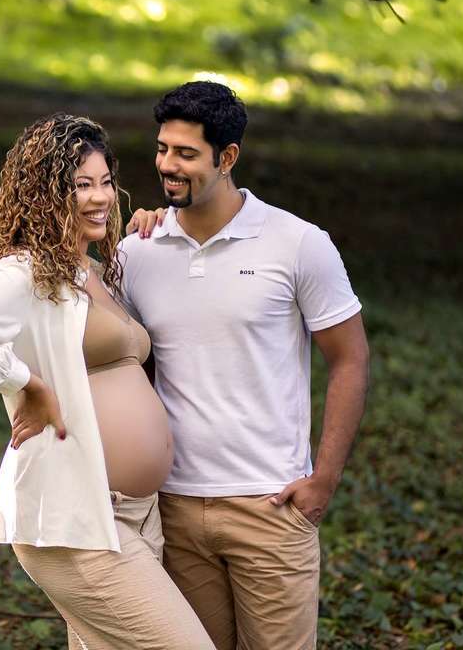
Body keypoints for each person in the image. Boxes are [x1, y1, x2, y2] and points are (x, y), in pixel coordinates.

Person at [0, 114, 214, 650]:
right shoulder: (27, 272)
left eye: (104, 182)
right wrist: (26, 382)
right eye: (82, 185)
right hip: (78, 517)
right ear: (45, 194)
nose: (100, 197)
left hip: (137, 514)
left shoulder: (94, 272)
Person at [120, 81, 371, 650]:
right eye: (162, 149)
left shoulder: (298, 243)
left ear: (227, 157)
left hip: (271, 505)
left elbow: (350, 359)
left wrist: (323, 479)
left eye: (186, 154)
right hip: (174, 506)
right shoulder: (137, 251)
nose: (167, 166)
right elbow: (124, 362)